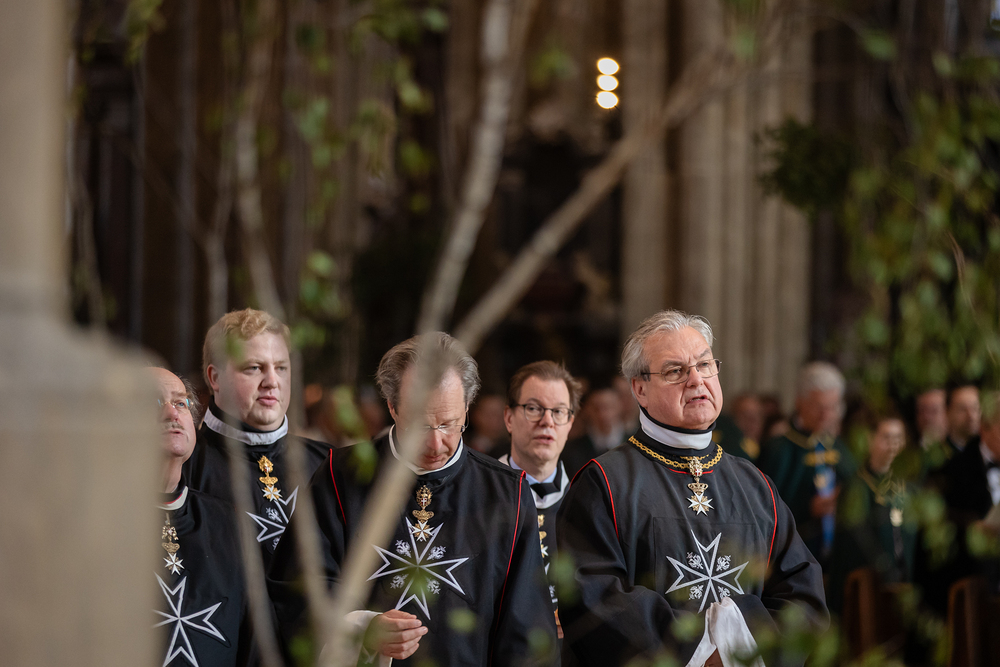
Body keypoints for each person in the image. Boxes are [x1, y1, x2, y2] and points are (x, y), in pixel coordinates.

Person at [557, 310, 828, 667]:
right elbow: (592, 596)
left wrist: (746, 649)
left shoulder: (755, 484)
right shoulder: (603, 482)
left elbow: (803, 593)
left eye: (705, 365)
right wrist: (699, 653)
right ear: (640, 389)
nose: (696, 380)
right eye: (675, 371)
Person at [269, 333, 557, 666]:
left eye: (449, 424)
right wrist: (362, 630)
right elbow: (300, 588)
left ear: (467, 407)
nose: (435, 444)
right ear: (392, 408)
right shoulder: (338, 476)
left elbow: (526, 631)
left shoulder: (508, 493)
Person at [183, 309, 333, 568]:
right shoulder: (184, 466)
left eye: (281, 368)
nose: (272, 381)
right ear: (215, 378)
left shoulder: (327, 463)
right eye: (254, 368)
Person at [150, 367, 252, 667]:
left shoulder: (229, 523)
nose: (172, 413)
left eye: (180, 402)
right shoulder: (92, 526)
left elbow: (255, 640)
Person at [498, 361, 583, 626]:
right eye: (533, 408)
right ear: (509, 418)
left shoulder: (588, 502)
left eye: (558, 412)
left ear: (570, 424)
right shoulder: (479, 496)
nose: (547, 421)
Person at [758, 362, 855, 565]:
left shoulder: (838, 446)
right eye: (819, 407)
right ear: (800, 402)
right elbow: (764, 505)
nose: (826, 415)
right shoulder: (779, 448)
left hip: (835, 556)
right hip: (793, 554)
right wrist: (807, 507)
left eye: (832, 407)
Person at [826, 410, 916, 615]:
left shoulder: (909, 487)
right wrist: (886, 570)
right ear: (869, 440)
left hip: (903, 587)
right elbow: (855, 542)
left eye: (898, 439)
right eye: (886, 438)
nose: (893, 446)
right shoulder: (856, 486)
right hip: (866, 590)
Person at [563, 384, 624, 478]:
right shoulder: (571, 452)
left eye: (608, 407)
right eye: (596, 408)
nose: (602, 415)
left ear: (619, 406)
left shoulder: (635, 444)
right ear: (586, 409)